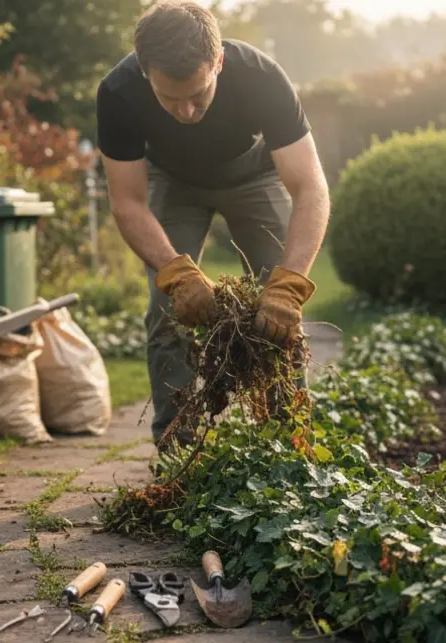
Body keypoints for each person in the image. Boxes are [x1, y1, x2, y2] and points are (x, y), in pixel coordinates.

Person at [94, 0, 331, 444]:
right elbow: (128, 204)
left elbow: (310, 189)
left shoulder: (261, 76)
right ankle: (178, 449)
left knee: (278, 305)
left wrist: (291, 282)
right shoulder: (119, 92)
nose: (186, 112)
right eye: (170, 99)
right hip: (174, 182)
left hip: (252, 176)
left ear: (218, 61)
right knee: (168, 308)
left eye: (198, 94)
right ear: (146, 73)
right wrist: (177, 273)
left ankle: (288, 444)